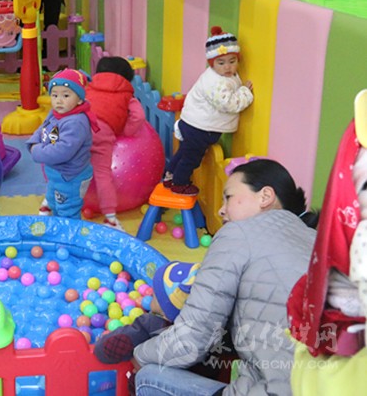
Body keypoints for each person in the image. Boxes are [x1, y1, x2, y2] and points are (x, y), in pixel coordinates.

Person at [133, 159, 317, 396]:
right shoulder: (315, 239)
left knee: (148, 377)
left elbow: (192, 340)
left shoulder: (238, 233)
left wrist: (139, 355)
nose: (221, 210)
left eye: (228, 197)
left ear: (265, 197)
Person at [164, 27, 254, 195]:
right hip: (199, 128)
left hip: (193, 123)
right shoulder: (216, 82)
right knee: (191, 158)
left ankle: (169, 176)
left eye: (232, 61)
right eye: (221, 63)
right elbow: (229, 104)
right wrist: (245, 92)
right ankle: (179, 183)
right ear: (212, 63)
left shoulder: (223, 76)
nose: (227, 67)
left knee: (184, 152)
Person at [95, 261, 200, 364]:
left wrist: (100, 343)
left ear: (165, 309)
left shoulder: (150, 324)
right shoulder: (194, 332)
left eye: (154, 294)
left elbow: (109, 348)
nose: (149, 293)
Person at [26, 69, 99, 218]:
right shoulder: (55, 113)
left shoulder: (76, 122)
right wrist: (33, 142)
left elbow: (62, 151)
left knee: (68, 211)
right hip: (56, 174)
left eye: (66, 95)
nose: (59, 100)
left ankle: (68, 232)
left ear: (79, 100)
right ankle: (54, 219)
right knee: (53, 201)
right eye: (55, 95)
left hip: (70, 178)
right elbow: (43, 129)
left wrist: (37, 151)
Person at [86, 57, 145, 231]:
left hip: (78, 127)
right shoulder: (127, 94)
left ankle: (51, 204)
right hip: (102, 133)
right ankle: (110, 218)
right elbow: (139, 116)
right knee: (102, 174)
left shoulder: (89, 88)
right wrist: (126, 131)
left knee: (69, 167)